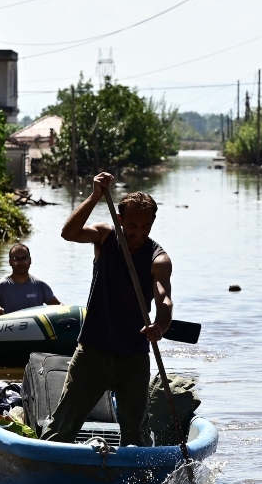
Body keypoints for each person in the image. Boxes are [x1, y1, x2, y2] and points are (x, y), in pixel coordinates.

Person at [43, 171, 173, 446]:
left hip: (133, 357)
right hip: (93, 350)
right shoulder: (104, 237)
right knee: (62, 426)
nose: (139, 233)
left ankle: (135, 480)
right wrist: (95, 196)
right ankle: (45, 468)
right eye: (133, 225)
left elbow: (164, 299)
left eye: (145, 226)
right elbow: (69, 233)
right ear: (120, 219)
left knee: (136, 435)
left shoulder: (158, 258)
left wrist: (160, 326)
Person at [0, 243, 62, 317]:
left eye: (24, 258)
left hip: (34, 331)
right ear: (10, 262)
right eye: (16, 259)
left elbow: (59, 307)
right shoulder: (1, 286)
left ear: (30, 261)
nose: (20, 263)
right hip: (8, 331)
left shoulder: (40, 286)